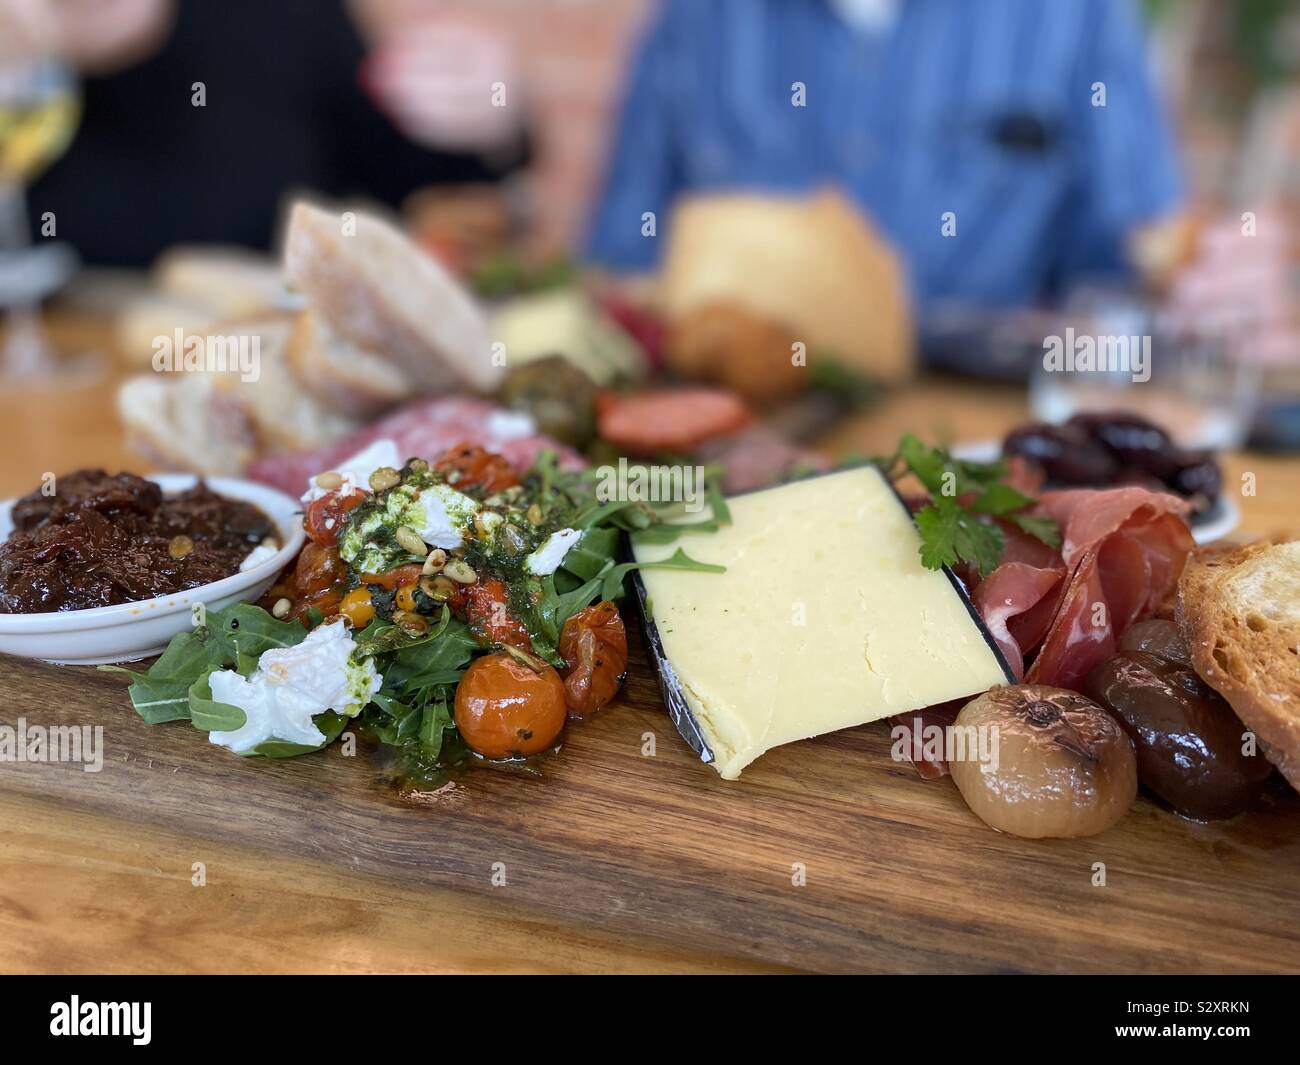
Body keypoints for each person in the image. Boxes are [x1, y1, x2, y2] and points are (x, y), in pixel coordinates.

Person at [586, 0, 1184, 315]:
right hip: (747, 434)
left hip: (979, 442)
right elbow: (624, 256)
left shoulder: (1078, 12)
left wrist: (1200, 287)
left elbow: (1134, 259)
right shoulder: (698, 15)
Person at [16, 0, 528, 266]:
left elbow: (402, 172)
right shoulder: (18, 77)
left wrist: (489, 120)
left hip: (264, 378)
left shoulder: (281, 16)